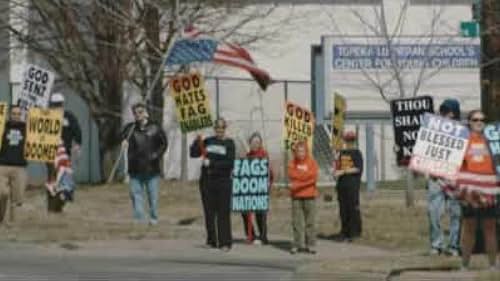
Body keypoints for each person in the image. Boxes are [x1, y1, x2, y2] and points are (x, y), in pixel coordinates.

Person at [457, 110, 498, 270]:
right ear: (469, 122)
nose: (479, 122)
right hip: (470, 190)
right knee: (469, 227)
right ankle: (464, 265)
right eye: (475, 119)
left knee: (490, 227)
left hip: (490, 190)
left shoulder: (493, 141)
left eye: (483, 119)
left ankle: (493, 265)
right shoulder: (462, 141)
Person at [190, 118, 235, 252]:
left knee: (223, 212)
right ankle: (211, 240)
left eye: (222, 128)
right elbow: (194, 153)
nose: (219, 130)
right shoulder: (208, 141)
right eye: (217, 128)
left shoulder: (229, 143)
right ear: (214, 128)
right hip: (207, 181)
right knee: (209, 212)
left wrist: (213, 164)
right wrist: (196, 140)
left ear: (225, 128)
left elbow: (230, 163)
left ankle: (225, 242)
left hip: (223, 181)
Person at [426, 99, 462, 256]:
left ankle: (453, 246)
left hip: (455, 179)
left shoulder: (463, 132)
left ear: (456, 114)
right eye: (444, 111)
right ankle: (436, 245)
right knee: (433, 212)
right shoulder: (432, 132)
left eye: (450, 112)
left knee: (456, 213)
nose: (447, 115)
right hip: (436, 178)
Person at [121, 102, 167, 225]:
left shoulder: (155, 127)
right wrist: (123, 142)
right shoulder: (130, 129)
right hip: (135, 167)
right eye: (135, 113)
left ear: (146, 113)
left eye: (140, 112)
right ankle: (139, 218)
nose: (138, 115)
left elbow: (163, 144)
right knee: (136, 194)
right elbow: (121, 137)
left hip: (151, 167)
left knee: (153, 196)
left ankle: (154, 217)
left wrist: (156, 155)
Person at [46, 92, 82, 213]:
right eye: (55, 105)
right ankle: (52, 206)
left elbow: (77, 130)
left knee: (65, 177)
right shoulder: (47, 116)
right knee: (52, 179)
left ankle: (61, 201)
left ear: (63, 104)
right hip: (50, 153)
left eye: (59, 104)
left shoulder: (68, 116)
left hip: (65, 153)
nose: (57, 107)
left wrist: (77, 144)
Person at [240, 132, 273, 245]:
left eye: (257, 142)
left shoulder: (264, 155)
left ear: (260, 144)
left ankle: (263, 237)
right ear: (250, 143)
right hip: (249, 189)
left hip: (260, 189)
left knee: (260, 213)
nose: (255, 144)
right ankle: (251, 235)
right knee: (244, 211)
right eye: (253, 142)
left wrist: (267, 186)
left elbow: (269, 174)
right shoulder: (247, 156)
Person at [288, 141, 319, 254]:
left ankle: (310, 244)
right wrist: (305, 178)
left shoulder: (312, 163)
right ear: (295, 152)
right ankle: (297, 244)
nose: (300, 153)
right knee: (296, 222)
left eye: (302, 151)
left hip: (309, 195)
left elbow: (313, 179)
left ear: (306, 151)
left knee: (310, 221)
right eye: (298, 151)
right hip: (296, 196)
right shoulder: (292, 163)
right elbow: (292, 175)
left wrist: (298, 184)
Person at [333, 131, 363, 242]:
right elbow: (337, 167)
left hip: (352, 186)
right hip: (342, 186)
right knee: (343, 210)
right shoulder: (341, 153)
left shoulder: (357, 153)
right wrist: (336, 172)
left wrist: (343, 171)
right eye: (347, 140)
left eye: (351, 140)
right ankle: (344, 232)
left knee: (353, 209)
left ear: (354, 141)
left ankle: (354, 233)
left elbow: (357, 168)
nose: (349, 142)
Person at [0, 105, 27, 223]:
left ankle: (12, 223)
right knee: (2, 193)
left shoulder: (27, 128)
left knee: (17, 199)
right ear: (9, 114)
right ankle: (0, 217)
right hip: (2, 165)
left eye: (18, 114)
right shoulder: (2, 126)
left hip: (20, 166)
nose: (16, 116)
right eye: (14, 114)